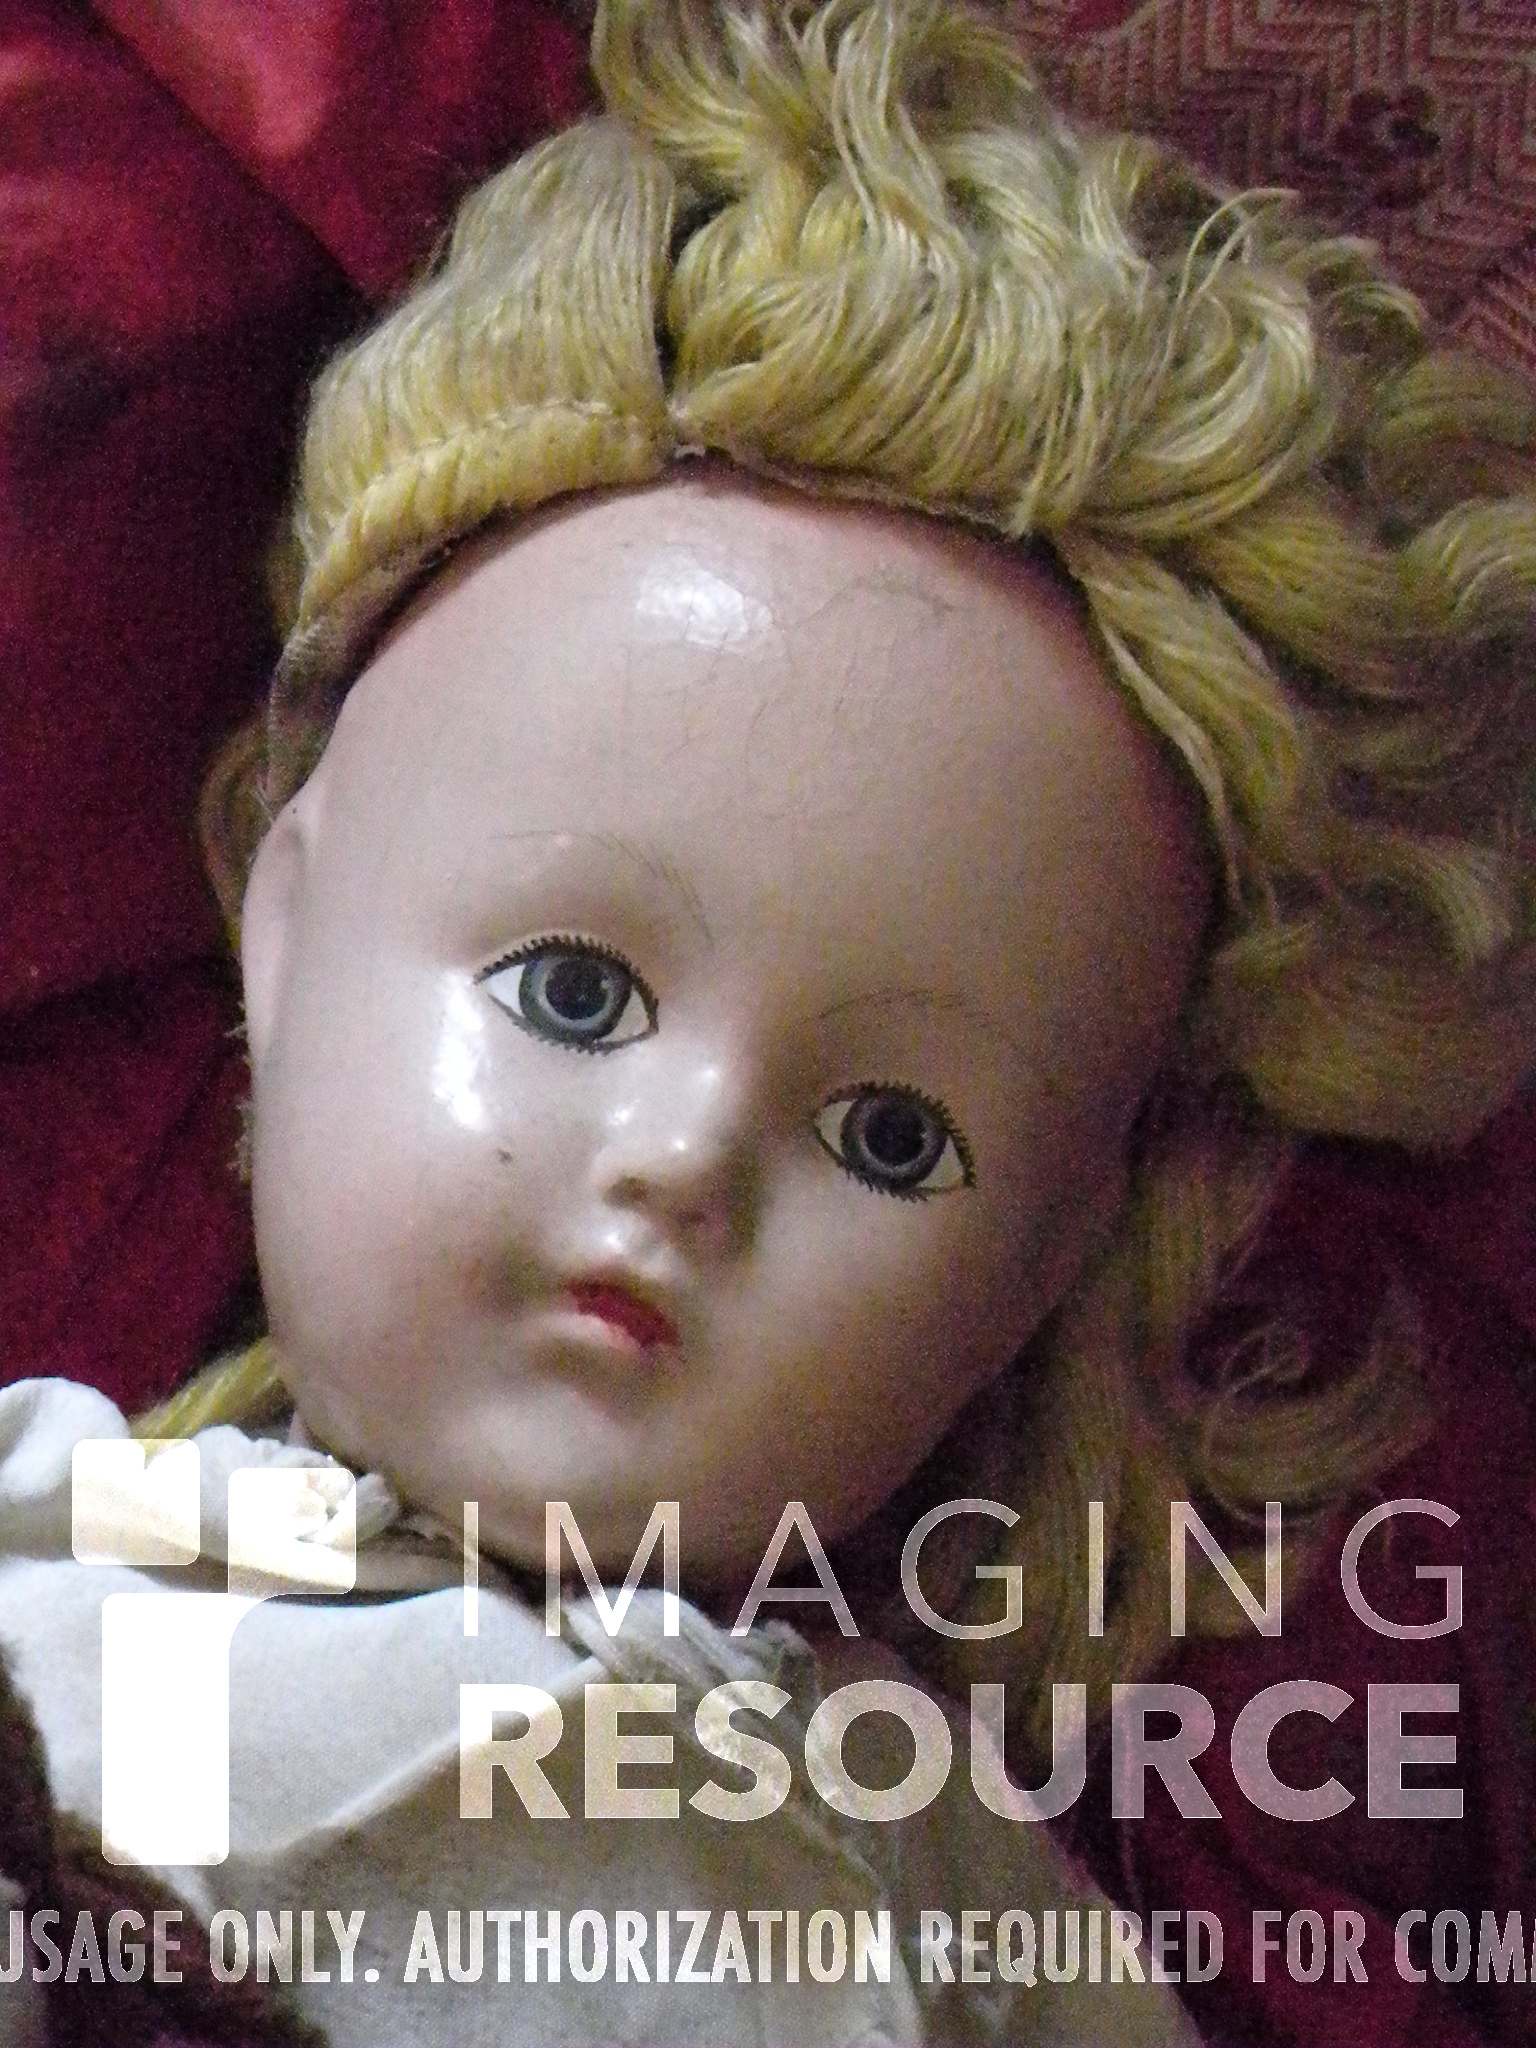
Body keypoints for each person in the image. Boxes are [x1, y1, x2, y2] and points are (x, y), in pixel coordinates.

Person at [2, 1, 1532, 2042]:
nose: (687, 1156)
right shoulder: (83, 1531)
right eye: (573, 994)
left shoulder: (905, 1824)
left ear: (1044, 1266)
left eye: (894, 1135)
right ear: (281, 921)